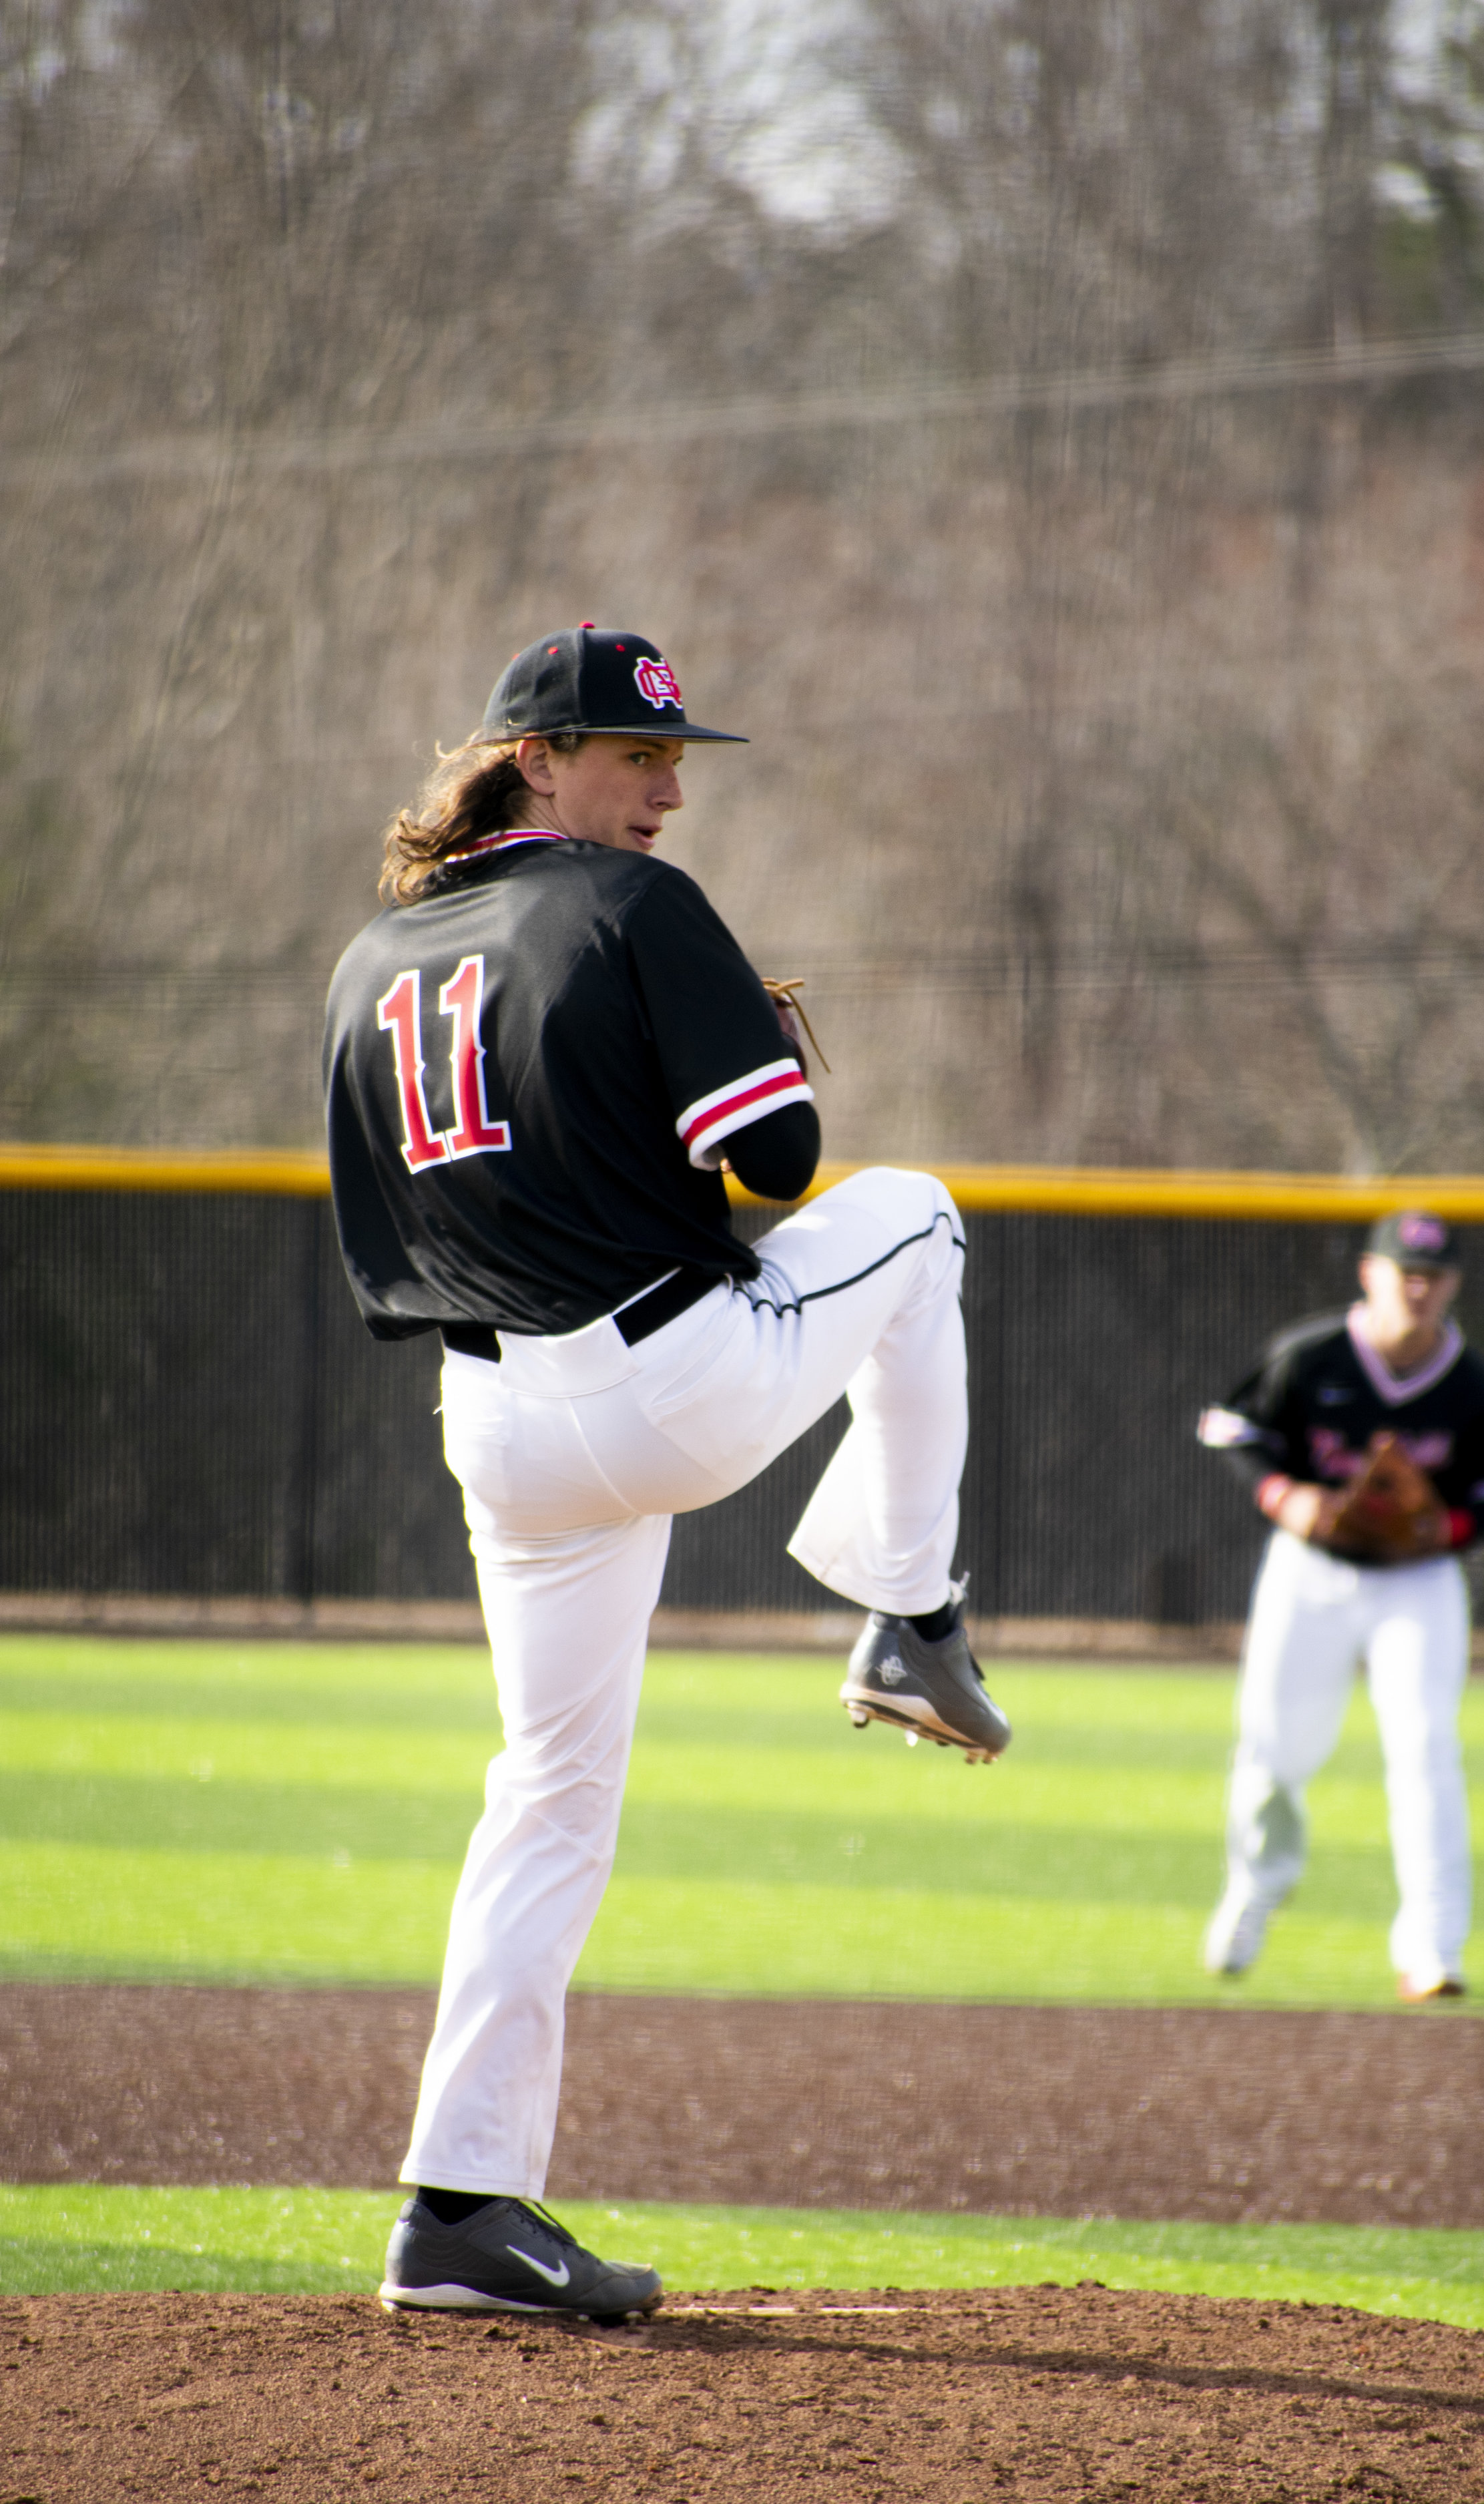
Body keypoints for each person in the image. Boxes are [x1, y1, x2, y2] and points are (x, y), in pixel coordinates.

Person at [322, 624, 1010, 2323]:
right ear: (536, 759)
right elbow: (779, 1162)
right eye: (636, 755)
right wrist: (730, 1014)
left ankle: (462, 2205)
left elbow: (400, 1225)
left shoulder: (376, 956)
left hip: (493, 1421)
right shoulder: (635, 908)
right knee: (916, 1212)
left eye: (674, 756)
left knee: (546, 1792)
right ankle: (909, 1611)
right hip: (661, 1375)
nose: (669, 783)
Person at [1196, 1210, 1484, 2003]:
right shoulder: (1310, 1356)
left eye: (1435, 1275)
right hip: (1308, 1572)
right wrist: (1282, 1494)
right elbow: (1228, 1428)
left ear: (1454, 1284)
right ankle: (1256, 1888)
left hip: (1417, 1585)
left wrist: (1448, 1527)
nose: (1418, 1287)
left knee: (1425, 1752)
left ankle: (1432, 1948)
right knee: (1273, 1752)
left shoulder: (1476, 1386)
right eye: (1405, 1271)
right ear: (1369, 1273)